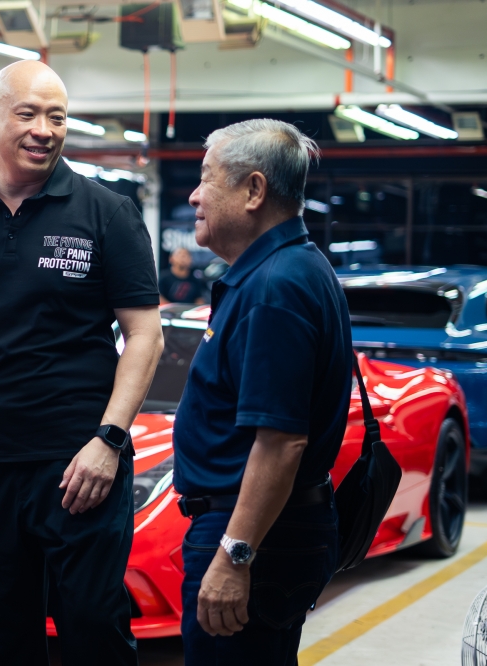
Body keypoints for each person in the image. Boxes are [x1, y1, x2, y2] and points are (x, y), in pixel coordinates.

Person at [0, 61, 164, 665]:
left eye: (58, 116)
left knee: (93, 630)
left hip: (81, 467)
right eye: (29, 114)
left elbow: (144, 335)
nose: (45, 129)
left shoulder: (106, 213)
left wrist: (109, 439)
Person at [172, 119, 352, 665]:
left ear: (253, 190)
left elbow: (281, 443)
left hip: (250, 534)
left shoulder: (275, 287)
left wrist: (234, 556)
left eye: (206, 179)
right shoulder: (291, 268)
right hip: (268, 530)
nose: (194, 195)